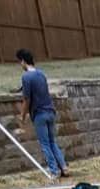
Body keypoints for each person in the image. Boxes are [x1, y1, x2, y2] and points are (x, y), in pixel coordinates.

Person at [16, 49, 68, 179]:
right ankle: (64, 167)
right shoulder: (41, 74)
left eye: (20, 62)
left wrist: (22, 116)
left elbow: (27, 99)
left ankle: (54, 171)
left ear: (23, 61)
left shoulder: (26, 77)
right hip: (50, 111)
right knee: (52, 142)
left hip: (39, 114)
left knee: (45, 144)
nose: (20, 64)